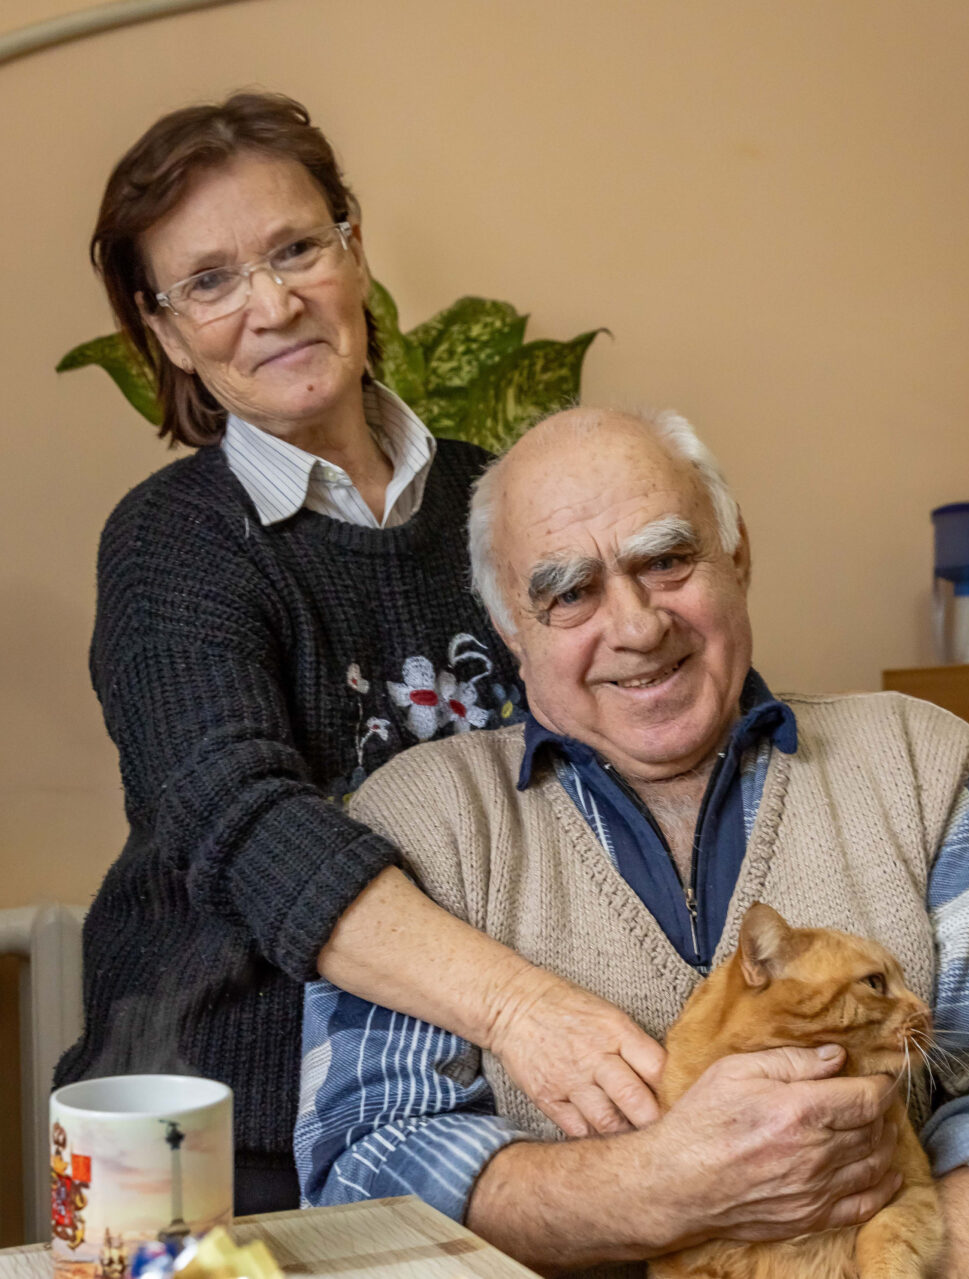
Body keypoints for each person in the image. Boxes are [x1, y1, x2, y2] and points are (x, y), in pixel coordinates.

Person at [299, 408, 969, 1278]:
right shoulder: (421, 817)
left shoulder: (919, 761)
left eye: (666, 560)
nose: (638, 626)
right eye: (569, 592)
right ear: (512, 632)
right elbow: (364, 1169)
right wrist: (662, 1188)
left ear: (737, 552)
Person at [52, 93, 665, 1213]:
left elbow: (632, 725)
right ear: (166, 332)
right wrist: (522, 1009)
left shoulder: (500, 497)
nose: (273, 304)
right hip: (216, 1126)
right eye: (210, 282)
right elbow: (248, 827)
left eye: (296, 248)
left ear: (354, 248)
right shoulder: (170, 542)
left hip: (480, 1109)